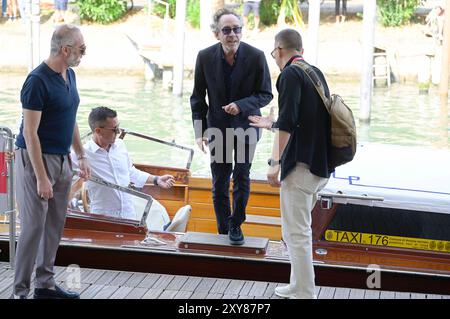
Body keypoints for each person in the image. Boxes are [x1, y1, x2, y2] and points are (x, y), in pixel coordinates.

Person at [249, 29, 332, 299]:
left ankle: (305, 292)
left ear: (280, 50)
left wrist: (274, 163)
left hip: (300, 167)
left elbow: (288, 125)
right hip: (320, 165)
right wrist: (270, 123)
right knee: (299, 230)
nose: (275, 59)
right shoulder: (313, 72)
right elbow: (301, 120)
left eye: (274, 54)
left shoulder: (288, 75)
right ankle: (297, 285)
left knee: (295, 233)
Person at [12, 24, 91, 299]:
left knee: (55, 224)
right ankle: (21, 291)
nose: (84, 54)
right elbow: (29, 132)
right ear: (65, 49)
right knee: (33, 227)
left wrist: (80, 155)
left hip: (62, 159)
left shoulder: (69, 75)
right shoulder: (37, 81)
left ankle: (45, 285)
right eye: (82, 49)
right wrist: (41, 176)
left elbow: (70, 118)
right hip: (35, 160)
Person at [190, 8, 273, 245]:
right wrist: (200, 131)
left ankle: (236, 223)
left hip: (247, 126)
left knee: (241, 176)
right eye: (226, 30)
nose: (232, 34)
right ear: (217, 34)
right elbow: (197, 98)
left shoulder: (256, 56)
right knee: (219, 181)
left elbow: (265, 94)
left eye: (236, 29)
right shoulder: (204, 57)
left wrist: (241, 105)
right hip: (217, 128)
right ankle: (223, 229)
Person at [70, 106, 175, 223]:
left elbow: (131, 172)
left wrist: (156, 179)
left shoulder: (120, 145)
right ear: (98, 131)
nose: (118, 132)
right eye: (114, 129)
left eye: (118, 127)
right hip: (103, 218)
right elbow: (60, 166)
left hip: (129, 214)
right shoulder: (82, 154)